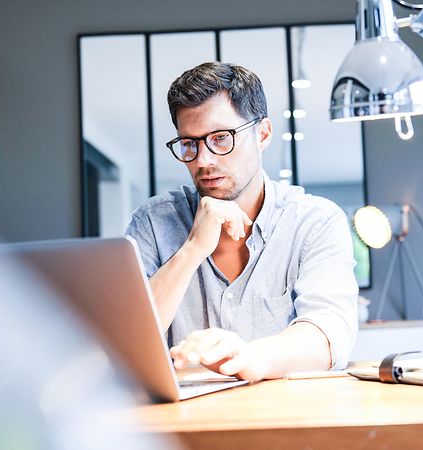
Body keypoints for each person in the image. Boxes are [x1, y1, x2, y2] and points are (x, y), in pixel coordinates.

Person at [126, 62, 358, 382]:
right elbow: (125, 344)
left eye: (221, 138)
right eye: (189, 144)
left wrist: (252, 356)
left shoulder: (315, 222)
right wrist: (192, 249)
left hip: (285, 419)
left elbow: (329, 334)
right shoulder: (152, 222)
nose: (203, 161)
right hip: (180, 424)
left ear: (262, 133)